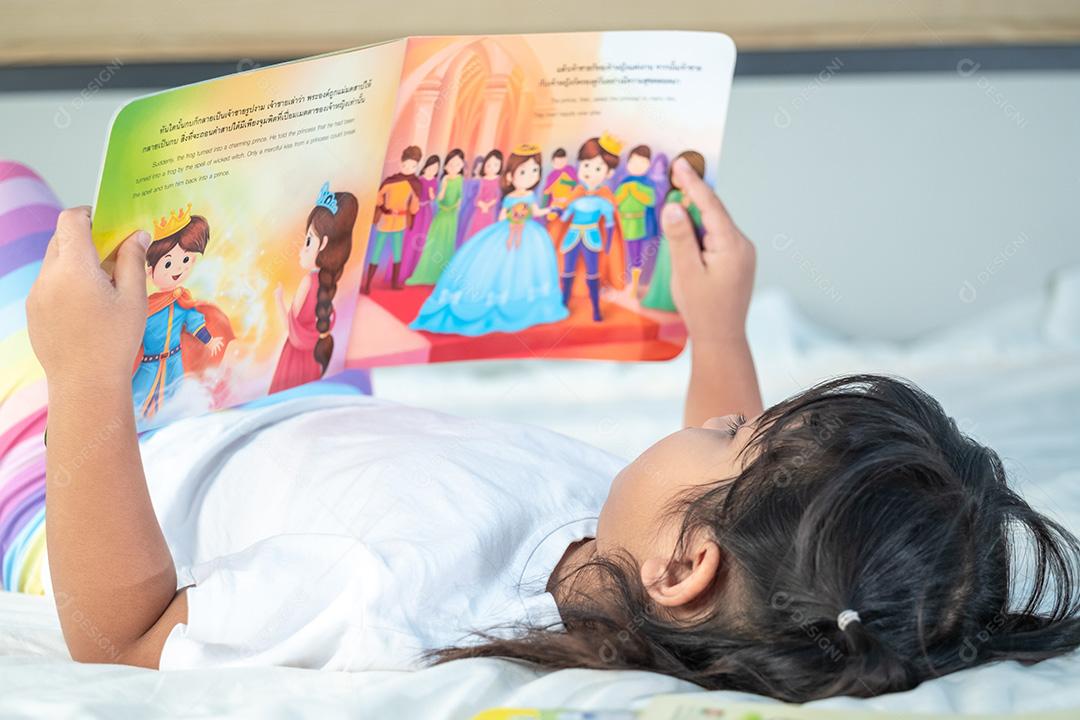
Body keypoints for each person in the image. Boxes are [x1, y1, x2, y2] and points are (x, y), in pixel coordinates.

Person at [26, 161, 1080, 702]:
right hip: (292, 404)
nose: (722, 415)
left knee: (19, 202)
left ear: (685, 567)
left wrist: (83, 381)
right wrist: (718, 321)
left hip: (83, 465)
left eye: (729, 436)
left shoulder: (393, 594)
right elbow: (740, 516)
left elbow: (120, 638)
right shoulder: (617, 553)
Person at [410, 144, 568, 336]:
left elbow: (536, 211)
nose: (530, 176)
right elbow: (502, 216)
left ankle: (519, 301)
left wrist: (551, 209)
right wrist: (511, 217)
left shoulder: (530, 195)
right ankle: (492, 300)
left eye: (535, 171)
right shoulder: (510, 196)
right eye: (524, 171)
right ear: (510, 176)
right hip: (506, 231)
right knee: (496, 264)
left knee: (524, 267)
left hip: (529, 235)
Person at [132, 204, 233, 421]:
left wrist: (209, 340)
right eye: (168, 264)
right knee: (136, 400)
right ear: (150, 272)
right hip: (149, 363)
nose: (178, 269)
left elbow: (194, 322)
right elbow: (133, 333)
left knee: (175, 401)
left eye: (185, 260)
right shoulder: (145, 306)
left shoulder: (182, 301)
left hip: (175, 361)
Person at [269, 184, 358, 393]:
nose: (302, 250)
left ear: (324, 243)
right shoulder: (327, 281)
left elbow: (293, 332)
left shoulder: (308, 282)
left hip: (295, 356)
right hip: (312, 357)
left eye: (308, 241)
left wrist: (278, 300)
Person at [549, 135, 627, 322]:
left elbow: (610, 224)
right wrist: (556, 212)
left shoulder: (605, 199)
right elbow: (564, 216)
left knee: (593, 273)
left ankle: (595, 307)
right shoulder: (575, 193)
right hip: (572, 237)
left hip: (592, 238)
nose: (590, 172)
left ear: (609, 173)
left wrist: (609, 245)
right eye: (586, 165)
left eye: (598, 168)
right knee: (568, 270)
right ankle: (564, 301)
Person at [642, 150, 705, 312]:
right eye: (673, 173)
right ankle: (662, 299)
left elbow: (698, 220)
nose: (676, 178)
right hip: (668, 243)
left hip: (689, 244)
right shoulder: (674, 197)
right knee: (666, 269)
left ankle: (678, 301)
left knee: (681, 272)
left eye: (682, 173)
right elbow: (669, 217)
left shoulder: (698, 198)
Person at [362, 146, 422, 293]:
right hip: (386, 220)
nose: (408, 168)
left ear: (417, 166)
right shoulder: (390, 181)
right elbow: (378, 197)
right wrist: (385, 208)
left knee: (397, 252)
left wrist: (410, 210)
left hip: (400, 222)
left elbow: (415, 205)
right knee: (377, 251)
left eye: (413, 166)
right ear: (400, 163)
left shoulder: (415, 184)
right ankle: (367, 283)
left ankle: (394, 283)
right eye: (406, 164)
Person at [406, 149, 465, 286]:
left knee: (447, 244)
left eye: (457, 164)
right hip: (441, 215)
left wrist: (455, 207)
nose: (454, 167)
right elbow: (438, 200)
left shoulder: (461, 181)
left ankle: (441, 275)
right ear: (445, 167)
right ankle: (425, 273)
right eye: (450, 164)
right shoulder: (443, 179)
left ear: (462, 166)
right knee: (432, 243)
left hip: (451, 217)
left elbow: (461, 199)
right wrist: (443, 186)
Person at [614, 145, 658, 297]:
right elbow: (616, 201)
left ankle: (634, 286)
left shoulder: (647, 184)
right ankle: (619, 282)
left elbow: (650, 201)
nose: (636, 166)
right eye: (633, 162)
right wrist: (625, 191)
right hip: (622, 224)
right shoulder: (624, 182)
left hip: (638, 224)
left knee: (636, 256)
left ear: (648, 165)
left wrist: (635, 191)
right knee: (619, 252)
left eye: (642, 162)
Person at [395, 154, 440, 283]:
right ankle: (402, 271)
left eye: (436, 168)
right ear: (425, 167)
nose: (433, 170)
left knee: (421, 241)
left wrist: (432, 195)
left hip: (426, 212)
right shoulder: (418, 179)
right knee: (409, 239)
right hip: (415, 212)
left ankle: (414, 271)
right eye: (431, 167)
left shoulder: (435, 182)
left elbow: (433, 198)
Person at [462, 149, 504, 239]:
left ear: (500, 166)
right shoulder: (482, 181)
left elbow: (498, 197)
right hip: (479, 212)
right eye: (489, 165)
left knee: (487, 233)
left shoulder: (499, 181)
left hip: (491, 212)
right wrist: (482, 204)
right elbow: (477, 198)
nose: (492, 168)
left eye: (496, 165)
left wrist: (488, 205)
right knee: (475, 232)